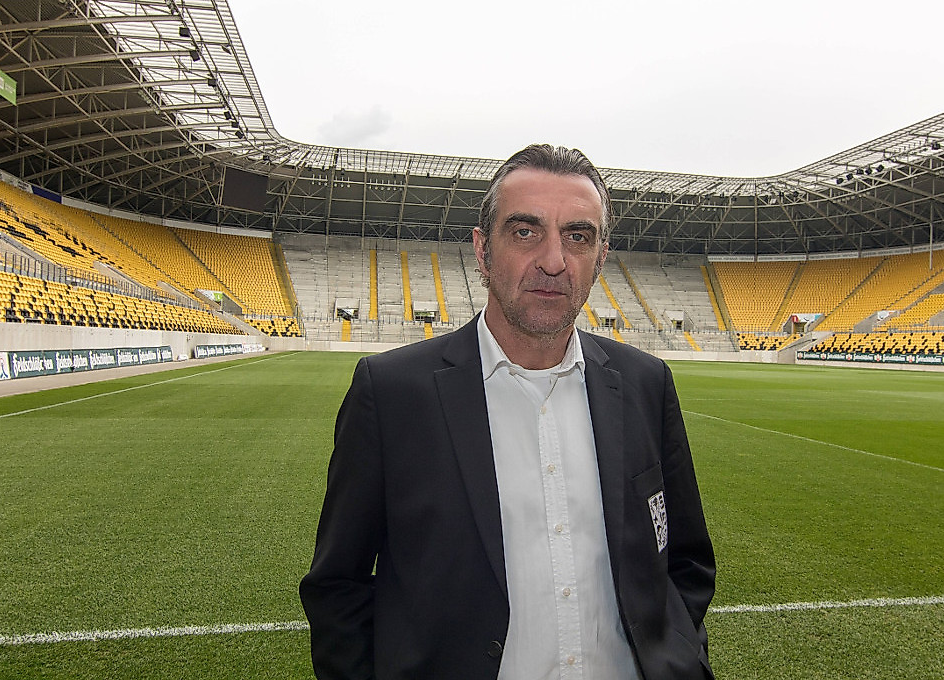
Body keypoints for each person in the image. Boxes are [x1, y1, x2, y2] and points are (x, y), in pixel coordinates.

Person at [300, 144, 716, 680]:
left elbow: (685, 560)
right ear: (483, 250)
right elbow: (339, 585)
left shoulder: (645, 383)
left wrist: (677, 653)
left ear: (601, 257)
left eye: (578, 236)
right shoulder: (392, 392)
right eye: (525, 231)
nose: (553, 260)